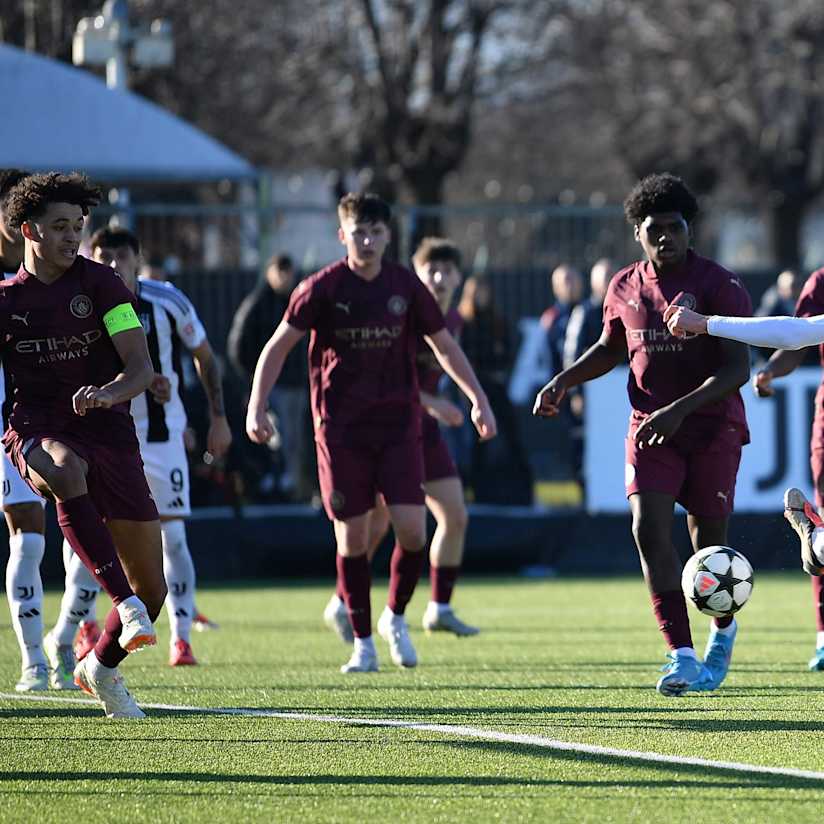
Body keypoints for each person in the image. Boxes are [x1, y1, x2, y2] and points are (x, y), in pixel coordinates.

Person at [246, 193, 496, 674]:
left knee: (412, 530)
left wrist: (477, 399)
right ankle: (362, 643)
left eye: (376, 232)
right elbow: (277, 347)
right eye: (358, 232)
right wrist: (257, 405)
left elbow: (444, 346)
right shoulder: (321, 287)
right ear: (342, 235)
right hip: (340, 432)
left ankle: (395, 618)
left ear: (388, 236)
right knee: (354, 537)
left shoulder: (405, 285)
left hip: (399, 428)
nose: (367, 240)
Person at [534, 172, 752, 696]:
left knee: (708, 548)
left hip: (710, 426)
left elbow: (737, 369)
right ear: (638, 232)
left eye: (675, 228)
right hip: (650, 427)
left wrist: (680, 409)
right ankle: (680, 653)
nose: (665, 238)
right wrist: (563, 380)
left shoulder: (719, 285)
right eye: (654, 230)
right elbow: (612, 348)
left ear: (688, 229)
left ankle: (722, 630)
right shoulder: (623, 287)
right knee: (646, 527)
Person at [1, 172, 166, 718]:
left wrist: (108, 393)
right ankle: (122, 603)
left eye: (78, 226)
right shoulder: (5, 301)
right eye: (60, 227)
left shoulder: (103, 286)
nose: (74, 237)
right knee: (65, 470)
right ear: (29, 230)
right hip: (36, 428)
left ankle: (100, 666)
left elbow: (140, 368)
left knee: (156, 591)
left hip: (109, 430)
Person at [67, 226, 232, 667]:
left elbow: (205, 356)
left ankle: (181, 637)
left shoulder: (168, 300)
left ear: (138, 260)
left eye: (122, 256)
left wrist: (217, 416)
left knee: (174, 537)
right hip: (102, 439)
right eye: (104, 255)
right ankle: (78, 628)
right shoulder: (77, 301)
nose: (113, 264)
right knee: (91, 540)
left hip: (161, 440)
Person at [323, 237, 479, 643]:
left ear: (460, 277)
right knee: (375, 523)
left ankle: (439, 608)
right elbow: (385, 376)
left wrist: (466, 402)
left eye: (449, 270)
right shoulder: (402, 312)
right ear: (416, 271)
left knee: (455, 514)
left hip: (421, 429)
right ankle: (345, 601)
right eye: (433, 270)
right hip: (388, 426)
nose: (441, 278)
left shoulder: (456, 321)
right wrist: (433, 402)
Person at [1, 169, 97, 693]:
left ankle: (64, 639)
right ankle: (33, 661)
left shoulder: (74, 276)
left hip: (82, 425)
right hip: (15, 427)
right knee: (28, 540)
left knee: (87, 534)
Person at [228, 253, 309, 499]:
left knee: (295, 438)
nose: (285, 277)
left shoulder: (298, 302)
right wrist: (255, 382)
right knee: (274, 437)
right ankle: (271, 482)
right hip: (272, 386)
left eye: (289, 272)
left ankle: (292, 485)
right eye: (280, 271)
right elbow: (239, 347)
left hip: (297, 384)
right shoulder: (257, 304)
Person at [456, 276, 533, 503]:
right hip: (474, 390)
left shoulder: (498, 322)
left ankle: (523, 487)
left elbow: (506, 354)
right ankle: (476, 489)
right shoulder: (464, 323)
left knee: (510, 433)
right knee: (476, 440)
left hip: (496, 388)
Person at [562, 258, 616, 492]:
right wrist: (575, 392)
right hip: (594, 393)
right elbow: (572, 356)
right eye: (603, 278)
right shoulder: (585, 312)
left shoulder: (626, 308)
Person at [541, 264, 584, 378]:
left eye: (574, 280)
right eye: (567, 281)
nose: (571, 285)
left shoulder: (589, 312)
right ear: (556, 287)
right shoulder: (552, 318)